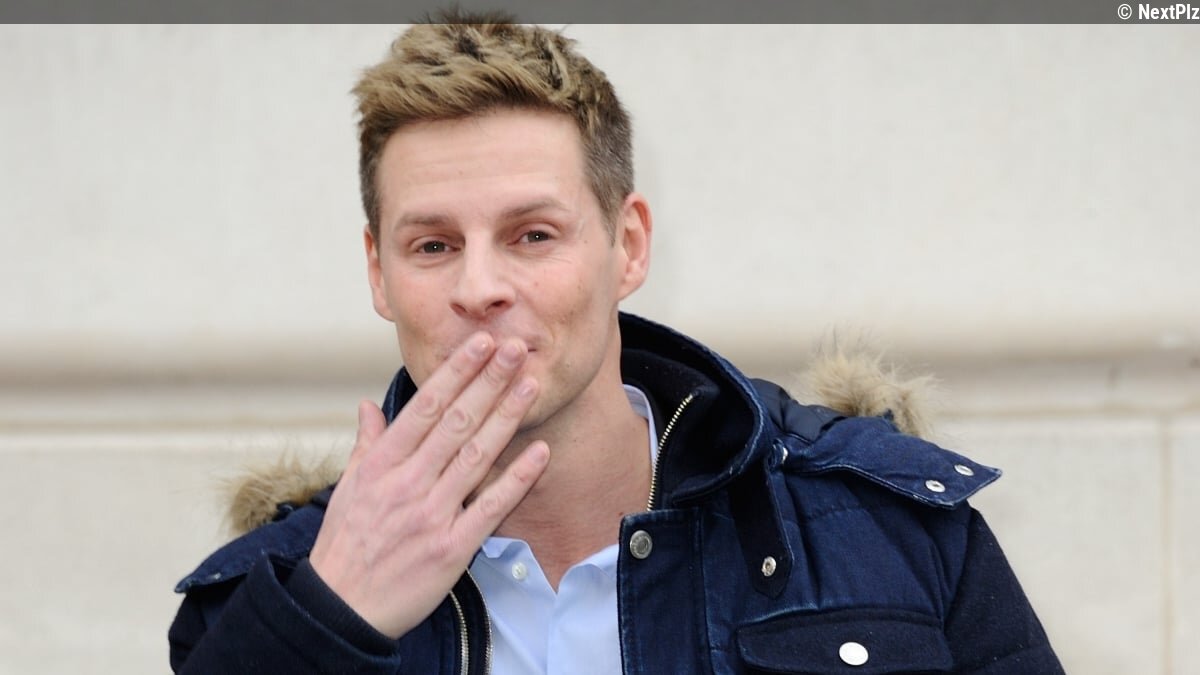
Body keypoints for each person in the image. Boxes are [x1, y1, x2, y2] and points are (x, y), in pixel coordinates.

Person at [169, 15, 1063, 674]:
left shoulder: (892, 532)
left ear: (627, 245)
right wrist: (326, 621)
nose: (479, 287)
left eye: (532, 235)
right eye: (433, 245)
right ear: (379, 272)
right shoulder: (262, 601)